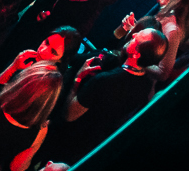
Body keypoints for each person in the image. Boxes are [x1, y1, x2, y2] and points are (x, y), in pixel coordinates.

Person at [48, 26, 167, 161]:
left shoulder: (104, 80)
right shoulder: (145, 87)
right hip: (89, 148)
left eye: (136, 38)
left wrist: (78, 78)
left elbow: (69, 115)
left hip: (67, 141)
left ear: (136, 53)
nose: (133, 35)